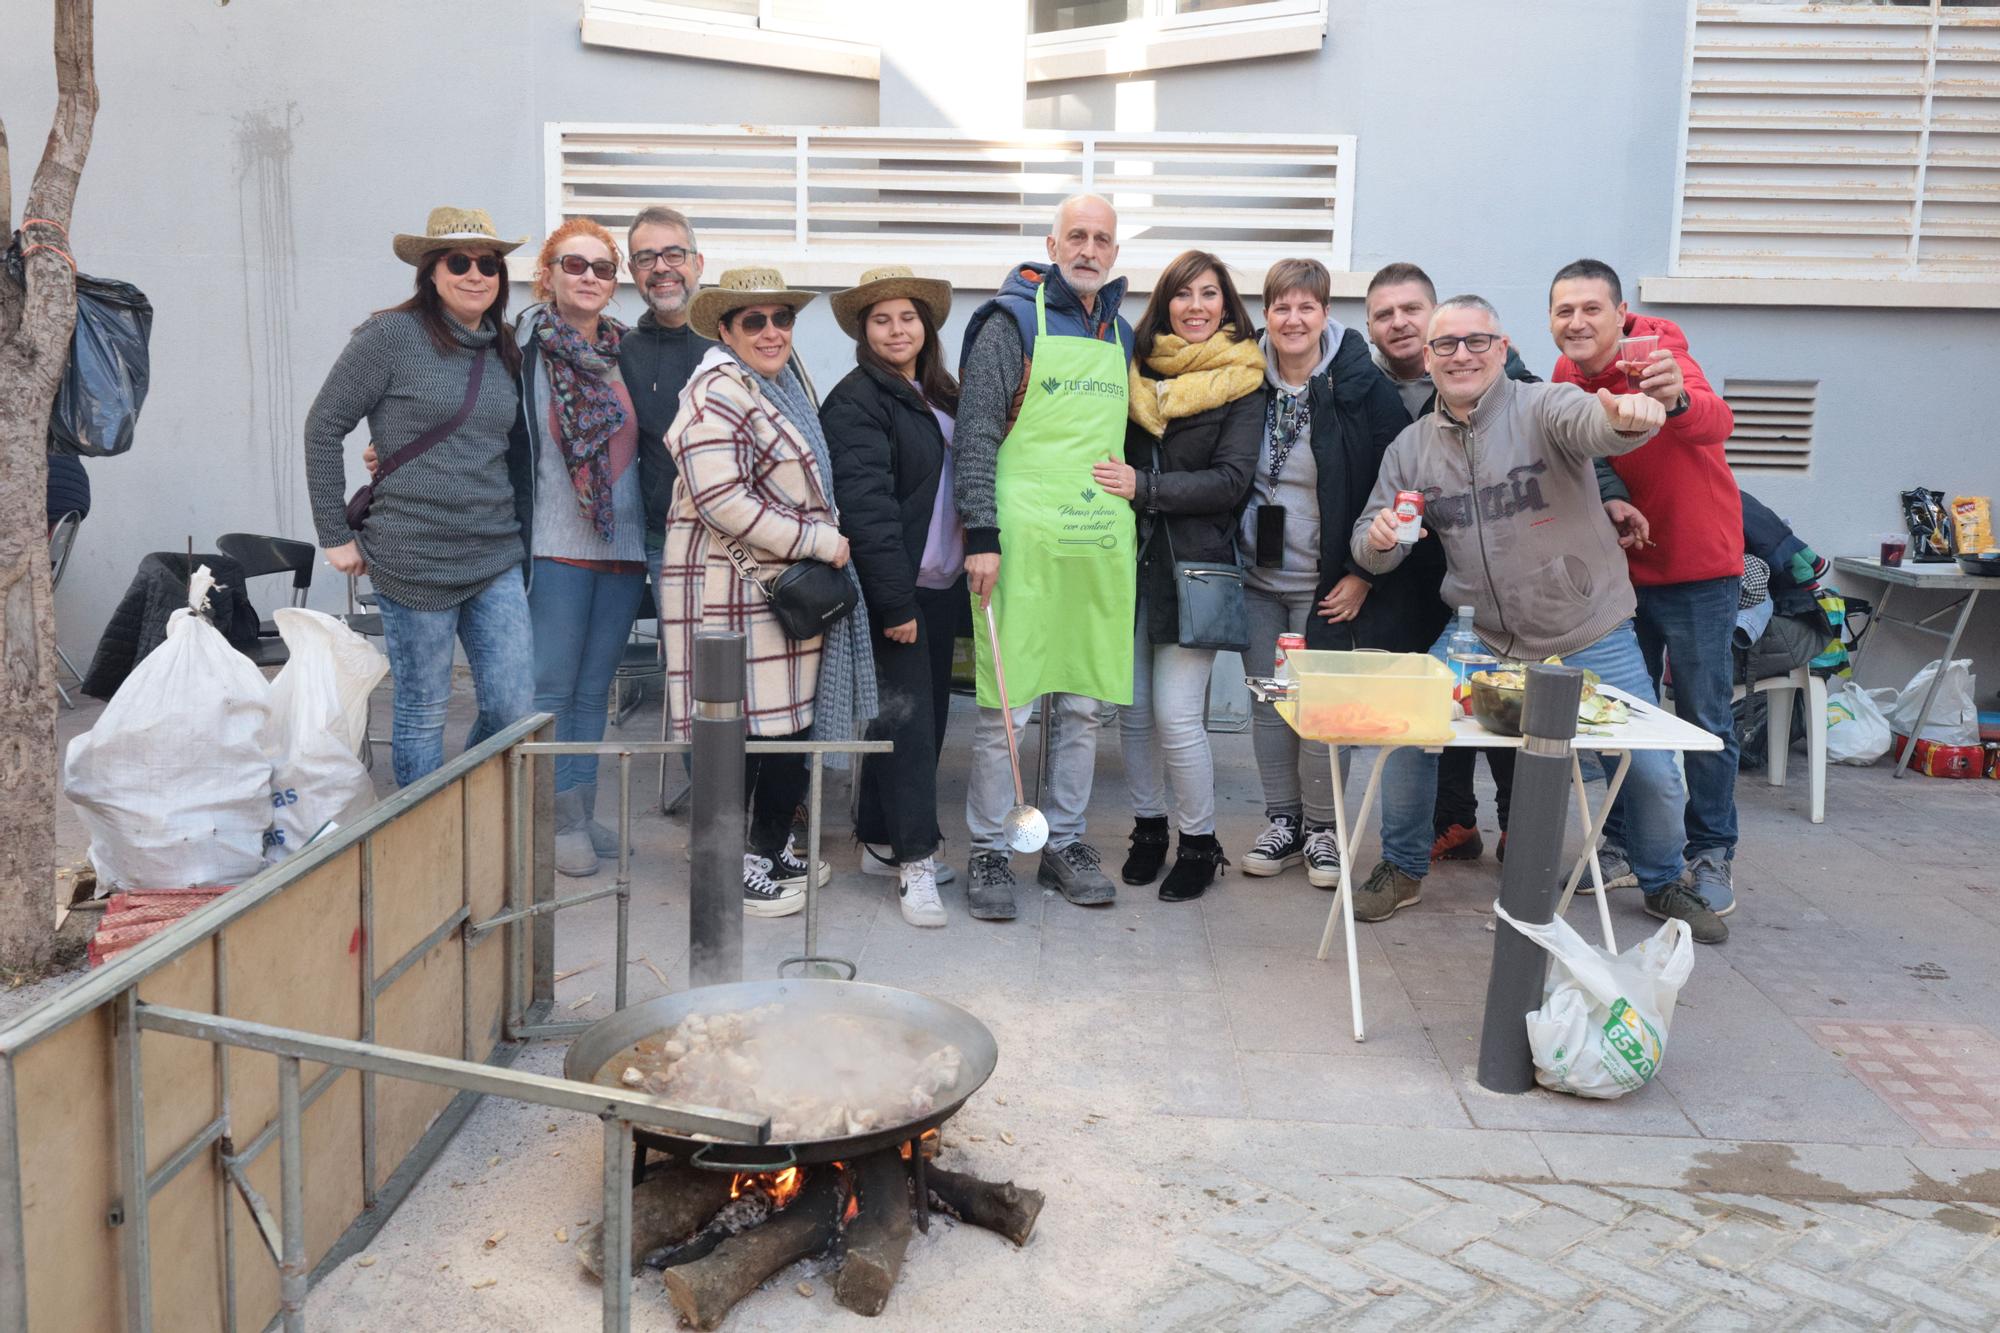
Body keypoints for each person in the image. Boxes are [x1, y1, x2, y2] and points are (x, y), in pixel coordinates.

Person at [1349, 296, 1727, 945]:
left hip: (1590, 627)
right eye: (1447, 345)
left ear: (1501, 349)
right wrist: (1379, 539)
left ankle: (1663, 877)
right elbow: (1368, 546)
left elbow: (1597, 425)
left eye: (1476, 341)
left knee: (1652, 763)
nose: (1461, 354)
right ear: (1430, 359)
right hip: (1481, 637)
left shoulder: (1542, 405)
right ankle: (1403, 866)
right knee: (1408, 727)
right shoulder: (1412, 447)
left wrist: (1630, 416)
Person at [663, 268, 877, 917]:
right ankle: (737, 864)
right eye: (753, 320)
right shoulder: (715, 391)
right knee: (741, 735)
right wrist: (816, 542)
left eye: (780, 317)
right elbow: (719, 497)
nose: (771, 330)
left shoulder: (777, 387)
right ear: (725, 330)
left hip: (771, 591)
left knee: (784, 727)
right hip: (727, 590)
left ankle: (769, 844)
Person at [303, 206, 533, 787]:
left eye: (489, 263)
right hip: (413, 555)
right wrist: (334, 534)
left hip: (494, 554)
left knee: (511, 708)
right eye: (459, 262)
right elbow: (324, 426)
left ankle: (457, 805)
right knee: (423, 709)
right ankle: (423, 847)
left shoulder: (504, 346)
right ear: (431, 272)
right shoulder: (388, 336)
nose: (476, 274)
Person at [953, 194, 1136, 921]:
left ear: (1114, 254)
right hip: (1020, 542)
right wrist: (981, 535)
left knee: (1084, 704)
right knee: (1011, 701)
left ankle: (1064, 841)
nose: (1089, 250)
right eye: (1077, 237)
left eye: (1102, 240)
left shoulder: (1121, 333)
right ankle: (992, 847)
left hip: (1094, 545)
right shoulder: (1011, 321)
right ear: (1053, 243)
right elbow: (974, 434)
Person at [1548, 259, 1741, 921]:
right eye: (1563, 310)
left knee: (1702, 716)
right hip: (1620, 572)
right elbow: (1580, 458)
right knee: (1618, 714)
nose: (1576, 321)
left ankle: (1710, 849)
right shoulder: (1564, 376)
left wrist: (1677, 398)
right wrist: (1608, 500)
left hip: (1695, 566)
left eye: (1590, 308)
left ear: (1620, 310)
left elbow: (1717, 421)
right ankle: (1624, 843)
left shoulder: (1659, 352)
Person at [1238, 258, 1417, 890]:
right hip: (1256, 577)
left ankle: (1322, 831)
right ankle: (1282, 822)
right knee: (1269, 705)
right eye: (1281, 307)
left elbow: (1393, 481)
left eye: (1306, 307)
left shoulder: (1360, 383)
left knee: (1321, 709)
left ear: (1324, 314)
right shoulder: (1239, 377)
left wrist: (1363, 573)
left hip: (1329, 582)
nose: (1293, 319)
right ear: (1266, 314)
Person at [1363, 261, 1537, 864]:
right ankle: (1454, 822)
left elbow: (1567, 450)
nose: (1398, 323)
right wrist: (1366, 566)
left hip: (1492, 576)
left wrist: (1614, 497)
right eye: (1384, 314)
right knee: (1441, 710)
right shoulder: (1367, 384)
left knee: (1501, 703)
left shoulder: (1503, 377)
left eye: (1410, 309)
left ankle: (1519, 826)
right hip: (1413, 574)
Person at [1103, 250, 1261, 902]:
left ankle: (1200, 841)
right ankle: (1148, 830)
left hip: (1193, 571)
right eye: (1183, 293)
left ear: (1226, 304)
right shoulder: (1132, 372)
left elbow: (1231, 482)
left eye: (1209, 293)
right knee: (1132, 713)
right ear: (1164, 302)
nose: (1196, 306)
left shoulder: (1245, 381)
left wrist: (1145, 486)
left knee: (1175, 715)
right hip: (1124, 566)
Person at [822, 265, 968, 927]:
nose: (896, 328)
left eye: (907, 317)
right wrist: (895, 603)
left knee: (921, 719)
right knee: (907, 728)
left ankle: (881, 841)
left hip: (941, 582)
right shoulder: (858, 400)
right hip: (899, 588)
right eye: (881, 319)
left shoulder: (937, 391)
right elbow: (868, 512)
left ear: (926, 325)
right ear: (863, 329)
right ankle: (915, 863)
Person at [512, 219, 648, 878]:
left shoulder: (632, 351)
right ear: (548, 274)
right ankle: (554, 820)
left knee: (595, 689)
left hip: (623, 545)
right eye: (574, 265)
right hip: (556, 542)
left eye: (601, 267)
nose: (588, 277)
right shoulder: (523, 349)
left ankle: (582, 810)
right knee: (552, 689)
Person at [618, 206, 714, 587]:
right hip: (667, 544)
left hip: (750, 542)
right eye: (646, 258)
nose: (661, 267)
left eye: (674, 254)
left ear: (698, 262)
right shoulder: (625, 352)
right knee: (681, 650)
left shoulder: (743, 334)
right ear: (632, 271)